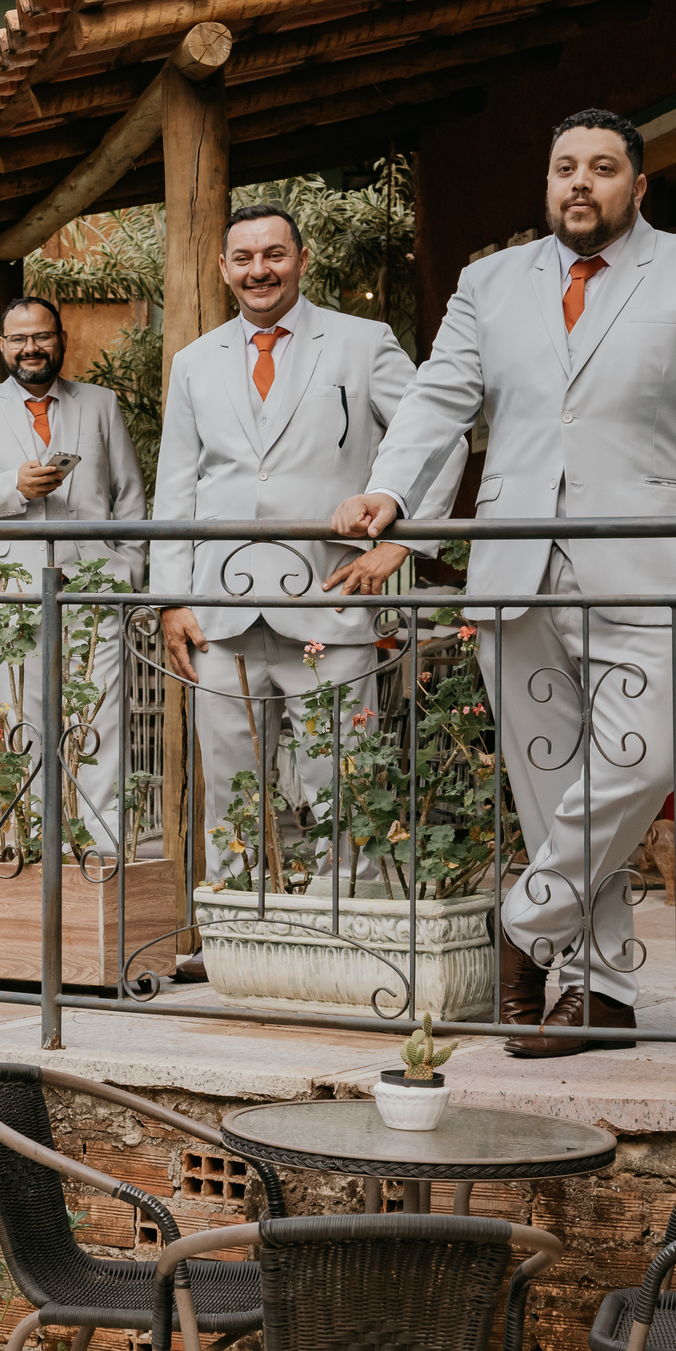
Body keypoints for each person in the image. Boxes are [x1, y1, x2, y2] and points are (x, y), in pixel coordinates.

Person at [329, 109, 676, 1057]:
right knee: (551, 788)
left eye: (603, 167)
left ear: (637, 186)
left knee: (642, 762)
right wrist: (390, 493)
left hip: (649, 561)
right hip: (517, 567)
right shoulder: (489, 283)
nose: (581, 182)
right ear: (548, 184)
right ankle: (598, 994)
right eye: (565, 167)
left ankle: (523, 924)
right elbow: (438, 400)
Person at [152, 202, 464, 883]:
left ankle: (347, 921)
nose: (259, 270)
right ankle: (238, 921)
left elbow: (440, 438)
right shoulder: (194, 363)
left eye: (274, 254)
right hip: (220, 616)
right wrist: (171, 599)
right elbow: (174, 487)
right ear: (224, 268)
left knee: (345, 787)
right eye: (244, 258)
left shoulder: (362, 341)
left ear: (301, 259)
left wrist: (402, 546)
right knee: (230, 795)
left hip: (330, 601)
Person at [0, 295, 146, 847]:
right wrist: (13, 487)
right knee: (22, 723)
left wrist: (126, 570)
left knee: (98, 718)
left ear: (61, 339)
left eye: (42, 336)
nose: (31, 348)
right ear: (3, 346)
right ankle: (31, 843)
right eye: (19, 339)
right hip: (13, 593)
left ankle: (99, 848)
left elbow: (129, 494)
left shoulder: (100, 403)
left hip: (95, 591)